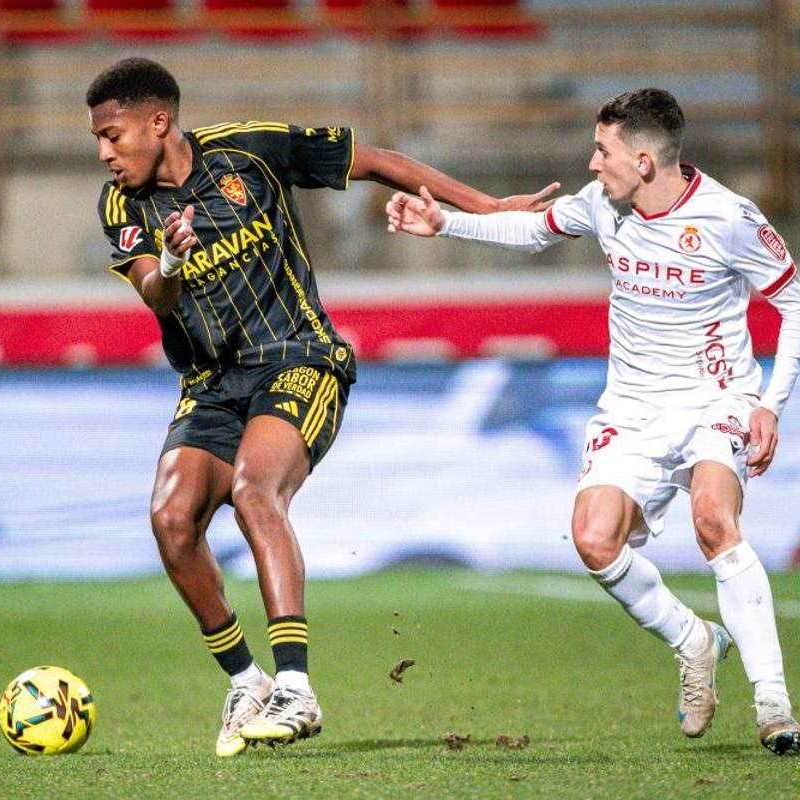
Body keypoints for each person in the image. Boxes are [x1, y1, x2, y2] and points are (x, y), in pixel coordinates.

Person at [87, 56, 558, 757]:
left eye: (113, 135)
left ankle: (296, 688)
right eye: (99, 140)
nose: (104, 152)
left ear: (159, 122)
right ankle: (246, 680)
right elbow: (156, 292)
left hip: (298, 359)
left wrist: (486, 208)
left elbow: (376, 161)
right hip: (211, 383)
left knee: (254, 491)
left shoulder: (251, 150)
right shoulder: (120, 206)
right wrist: (174, 264)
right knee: (171, 520)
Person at [386, 88, 800, 755]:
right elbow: (533, 229)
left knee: (713, 519)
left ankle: (773, 703)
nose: (592, 163)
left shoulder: (729, 217)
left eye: (602, 150)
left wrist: (770, 404)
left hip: (716, 400)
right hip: (632, 410)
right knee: (593, 538)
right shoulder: (602, 204)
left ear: (643, 160)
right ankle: (693, 640)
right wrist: (445, 224)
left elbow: (797, 306)